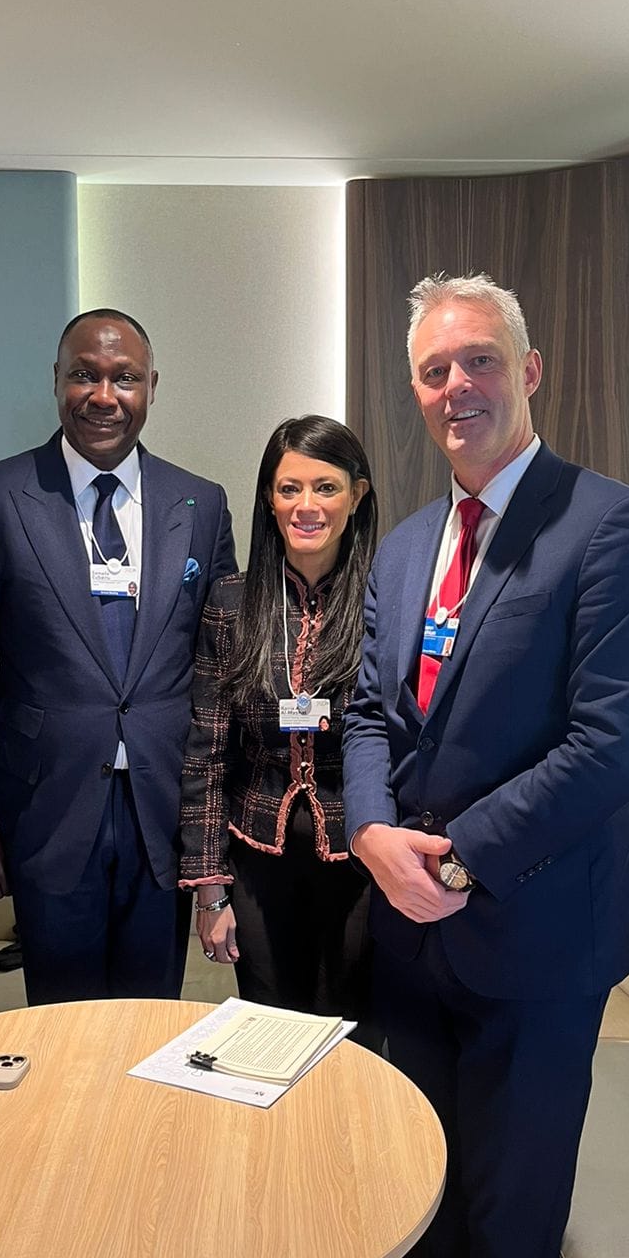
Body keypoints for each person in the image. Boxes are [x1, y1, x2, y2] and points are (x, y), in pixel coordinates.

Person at [334, 274, 629, 1258]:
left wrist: (460, 861)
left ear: (529, 370)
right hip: (413, 929)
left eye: (479, 360)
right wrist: (373, 836)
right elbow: (370, 716)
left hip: (538, 932)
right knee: (436, 1176)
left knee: (514, 1201)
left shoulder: (614, 526)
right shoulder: (405, 548)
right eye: (434, 370)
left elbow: (613, 744)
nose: (457, 387)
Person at [0, 308, 235, 1003]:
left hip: (163, 812)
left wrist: (211, 832)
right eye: (84, 375)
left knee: (151, 1018)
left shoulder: (201, 504)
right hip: (46, 811)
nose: (103, 396)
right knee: (62, 1026)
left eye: (124, 378)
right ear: (56, 380)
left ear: (151, 386)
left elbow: (218, 675)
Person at [179, 416, 377, 1029]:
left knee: (353, 1028)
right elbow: (207, 751)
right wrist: (209, 887)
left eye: (326, 487)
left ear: (357, 496)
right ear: (269, 498)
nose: (306, 505)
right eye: (289, 488)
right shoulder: (231, 601)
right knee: (268, 1026)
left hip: (362, 856)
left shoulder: (385, 597)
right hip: (257, 856)